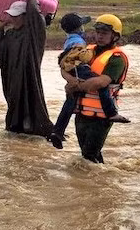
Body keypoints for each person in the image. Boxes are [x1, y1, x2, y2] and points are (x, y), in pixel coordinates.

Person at [48, 13, 129, 149]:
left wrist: (75, 86)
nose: (100, 36)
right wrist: (71, 80)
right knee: (88, 156)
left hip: (102, 117)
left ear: (115, 36)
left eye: (105, 33)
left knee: (89, 155)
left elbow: (101, 83)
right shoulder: (85, 50)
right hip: (82, 113)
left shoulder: (116, 58)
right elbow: (65, 66)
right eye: (98, 32)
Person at [0, 0, 54, 136]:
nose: (13, 18)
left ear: (26, 16)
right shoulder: (10, 35)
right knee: (15, 111)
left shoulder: (34, 34)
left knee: (31, 104)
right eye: (12, 15)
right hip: (13, 80)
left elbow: (37, 17)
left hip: (29, 77)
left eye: (17, 16)